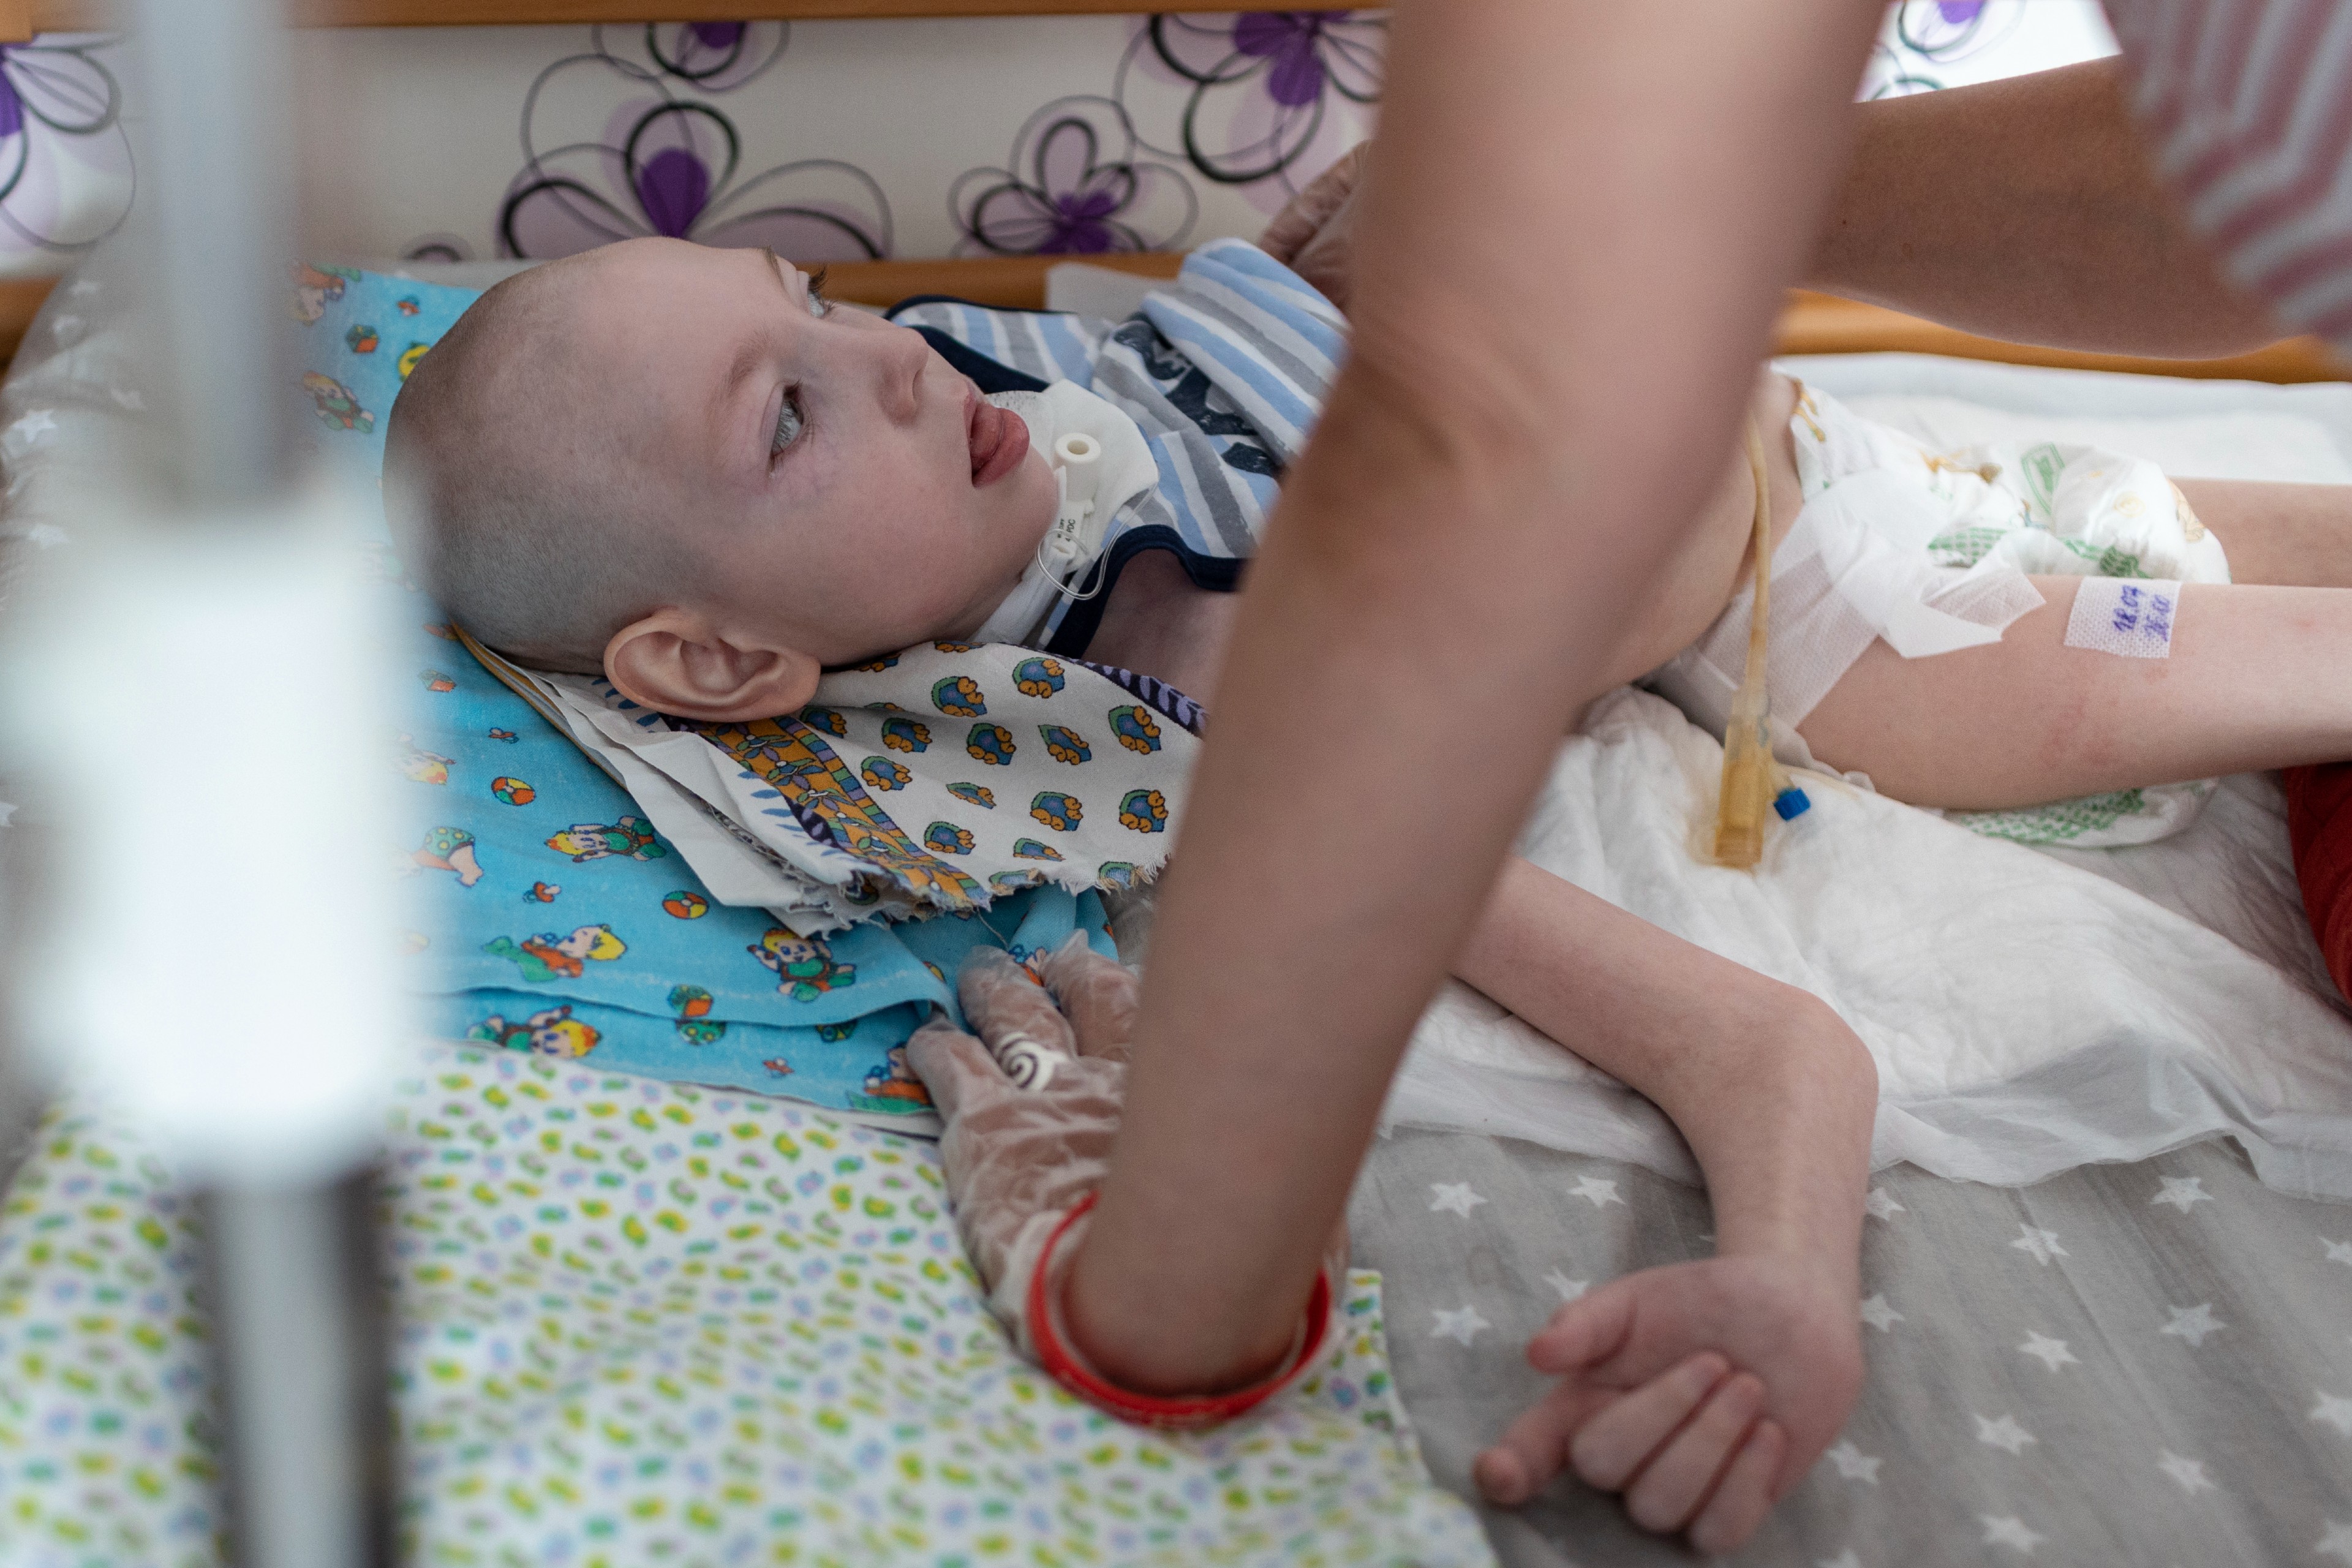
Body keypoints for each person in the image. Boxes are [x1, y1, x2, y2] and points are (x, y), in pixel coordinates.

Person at [385, 200, 2351, 1548]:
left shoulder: (1006, 389)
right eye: (790, 407)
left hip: (1865, 449)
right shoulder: (1207, 727)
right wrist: (1781, 1279)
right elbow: (1771, 1046)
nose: (883, 363)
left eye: (808, 303)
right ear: (717, 666)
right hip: (1851, 619)